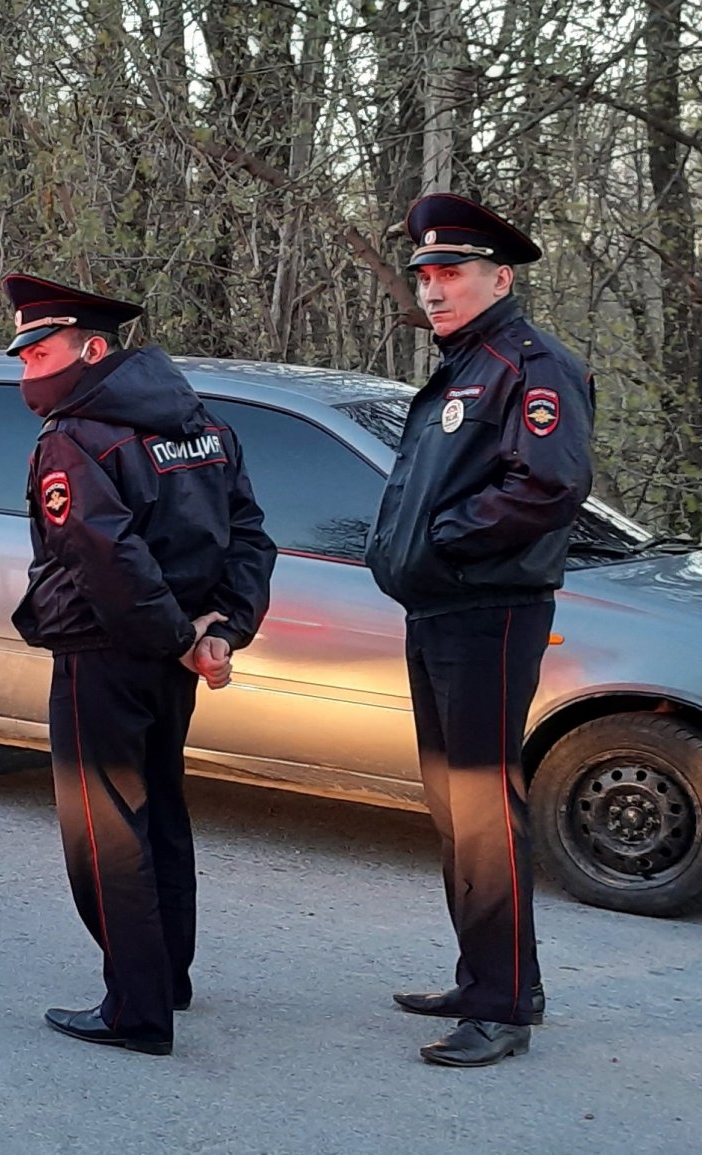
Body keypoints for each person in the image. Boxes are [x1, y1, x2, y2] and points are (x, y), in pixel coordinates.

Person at [4, 274, 277, 1056]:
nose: (29, 373)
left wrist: (186, 637)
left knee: (105, 831)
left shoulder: (76, 438)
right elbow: (249, 536)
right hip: (171, 655)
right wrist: (221, 628)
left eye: (41, 354)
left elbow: (105, 558)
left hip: (106, 650)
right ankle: (168, 975)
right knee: (158, 809)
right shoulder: (206, 426)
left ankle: (136, 1007)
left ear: (92, 351)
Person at [366, 194, 595, 1067]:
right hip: (441, 607)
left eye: (452, 272)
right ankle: (492, 974)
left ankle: (499, 1009)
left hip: (488, 607)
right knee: (450, 801)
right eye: (425, 274)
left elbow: (546, 487)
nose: (433, 288)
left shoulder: (530, 365)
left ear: (500, 278)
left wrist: (441, 547)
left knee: (482, 805)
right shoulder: (465, 362)